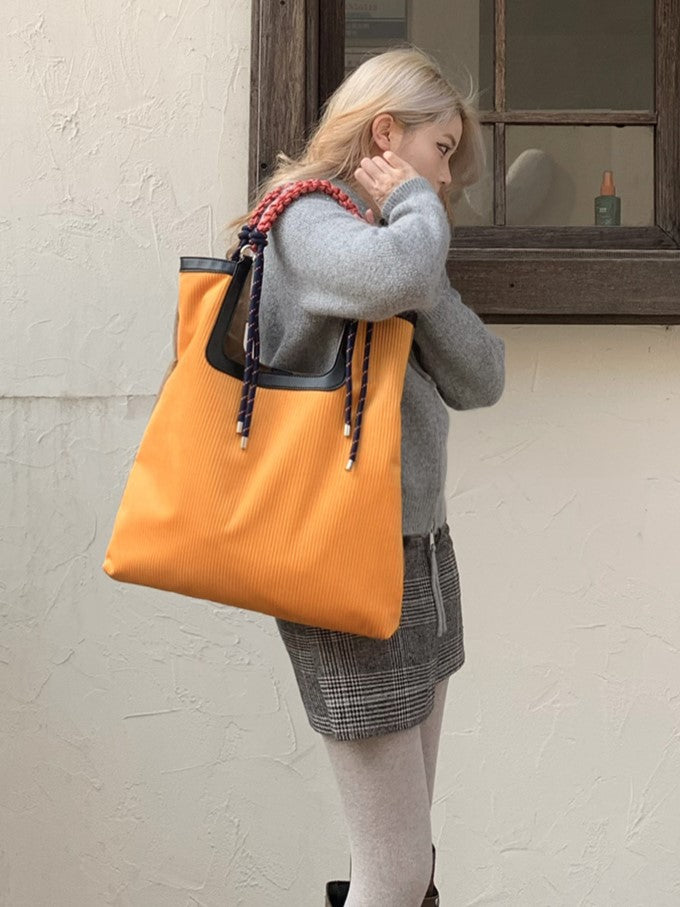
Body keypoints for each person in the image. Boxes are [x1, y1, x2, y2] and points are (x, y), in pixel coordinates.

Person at [224, 45, 505, 907]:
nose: (445, 180)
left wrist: (418, 263)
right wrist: (414, 213)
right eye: (441, 150)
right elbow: (398, 274)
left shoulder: (395, 250)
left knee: (409, 857)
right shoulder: (309, 219)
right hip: (341, 556)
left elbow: (482, 375)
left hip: (419, 551)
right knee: (396, 869)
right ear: (386, 133)